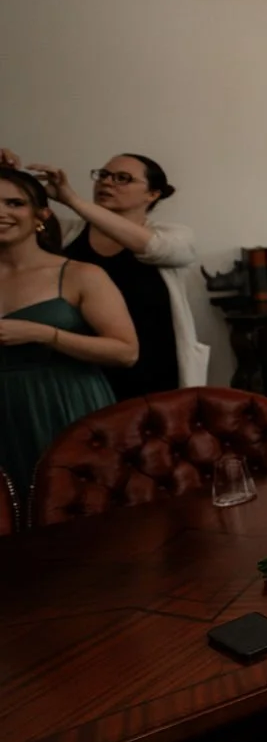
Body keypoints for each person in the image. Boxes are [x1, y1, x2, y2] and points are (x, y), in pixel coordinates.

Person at [0, 149, 207, 398]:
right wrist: (13, 173)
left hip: (154, 366)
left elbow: (153, 248)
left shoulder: (174, 237)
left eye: (122, 178)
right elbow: (20, 221)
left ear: (153, 194)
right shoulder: (68, 234)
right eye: (104, 175)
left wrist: (72, 200)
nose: (107, 182)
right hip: (82, 368)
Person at [0, 167, 138, 499]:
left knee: (77, 509)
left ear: (40, 215)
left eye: (14, 203)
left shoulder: (80, 274)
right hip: (4, 411)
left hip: (62, 402)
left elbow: (125, 352)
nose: (1, 212)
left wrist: (43, 333)